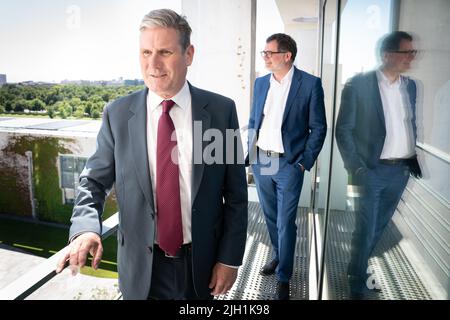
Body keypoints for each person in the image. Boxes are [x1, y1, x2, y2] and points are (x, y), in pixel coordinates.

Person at [56, 9, 248, 300]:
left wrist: (230, 258)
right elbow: (92, 181)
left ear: (189, 54)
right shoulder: (117, 115)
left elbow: (235, 195)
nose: (153, 64)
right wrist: (84, 228)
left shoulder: (222, 112)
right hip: (141, 270)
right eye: (146, 52)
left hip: (203, 267)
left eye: (165, 52)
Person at [335, 31, 422, 299]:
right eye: (406, 52)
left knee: (379, 226)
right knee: (366, 227)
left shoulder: (410, 85)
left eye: (412, 52)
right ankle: (356, 282)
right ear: (387, 55)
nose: (411, 57)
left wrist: (411, 159)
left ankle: (356, 267)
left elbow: (407, 123)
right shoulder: (359, 85)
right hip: (372, 171)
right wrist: (357, 169)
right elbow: (343, 130)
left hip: (401, 171)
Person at [246, 33, 327, 300]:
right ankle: (279, 256)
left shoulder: (310, 84)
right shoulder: (260, 84)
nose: (265, 57)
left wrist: (303, 163)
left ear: (287, 56)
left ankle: (284, 276)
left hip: (289, 165)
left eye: (270, 53)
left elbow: (319, 128)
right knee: (270, 217)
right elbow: (253, 119)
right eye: (264, 53)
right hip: (261, 161)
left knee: (285, 222)